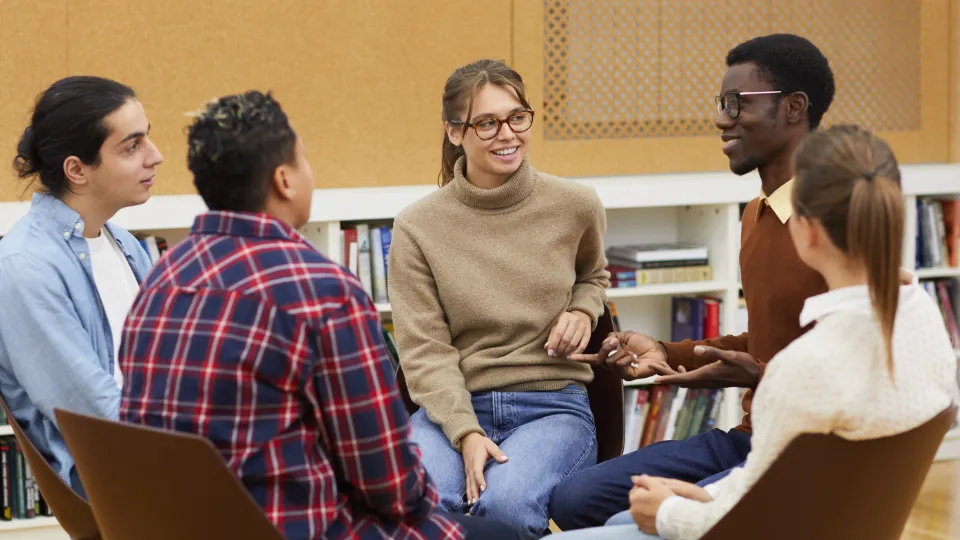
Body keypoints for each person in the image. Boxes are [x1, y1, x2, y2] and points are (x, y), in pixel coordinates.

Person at [118, 90, 519, 540]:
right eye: (304, 161)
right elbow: (389, 480)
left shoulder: (163, 277)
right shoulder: (322, 292)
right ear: (285, 181)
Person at [552, 124, 960, 539]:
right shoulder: (925, 318)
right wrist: (692, 497)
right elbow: (764, 484)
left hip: (778, 521)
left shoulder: (806, 365)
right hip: (832, 513)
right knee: (608, 510)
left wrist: (668, 511)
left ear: (809, 230)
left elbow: (751, 512)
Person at [550, 33, 837, 530]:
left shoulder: (839, 224)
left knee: (639, 518)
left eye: (736, 103)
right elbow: (768, 339)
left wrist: (759, 373)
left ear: (793, 108)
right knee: (574, 500)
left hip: (811, 452)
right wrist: (665, 350)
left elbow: (861, 372)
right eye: (721, 103)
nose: (722, 119)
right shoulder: (755, 216)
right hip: (752, 436)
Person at [387, 59, 610, 539]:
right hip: (455, 405)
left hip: (553, 404)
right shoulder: (417, 226)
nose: (507, 133)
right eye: (486, 122)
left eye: (517, 117)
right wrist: (466, 432)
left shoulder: (576, 205)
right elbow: (424, 350)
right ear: (454, 132)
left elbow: (593, 275)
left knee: (506, 505)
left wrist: (582, 309)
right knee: (419, 506)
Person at [0, 76, 162, 493]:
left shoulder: (124, 243)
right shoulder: (25, 264)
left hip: (158, 454)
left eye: (148, 139)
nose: (155, 157)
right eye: (132, 146)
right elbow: (92, 415)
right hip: (113, 479)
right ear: (77, 170)